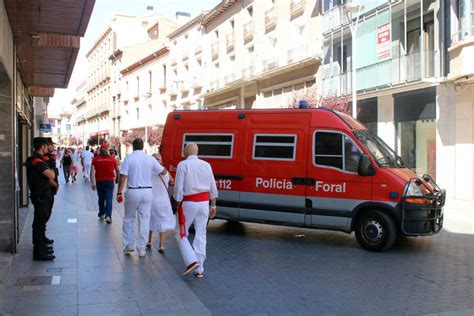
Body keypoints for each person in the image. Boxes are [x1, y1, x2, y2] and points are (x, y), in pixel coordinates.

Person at [116, 138, 167, 257]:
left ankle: (129, 244)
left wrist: (119, 192)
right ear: (142, 146)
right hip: (147, 192)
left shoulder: (129, 158)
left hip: (133, 191)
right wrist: (164, 167)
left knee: (129, 218)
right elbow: (162, 172)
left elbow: (123, 176)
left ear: (133, 147)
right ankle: (142, 248)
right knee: (145, 220)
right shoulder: (150, 159)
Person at [174, 143, 218, 278]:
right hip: (204, 203)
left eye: (184, 149)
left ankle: (191, 261)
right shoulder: (206, 165)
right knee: (201, 233)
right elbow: (213, 186)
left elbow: (178, 189)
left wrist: (177, 203)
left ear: (187, 151)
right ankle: (200, 267)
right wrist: (213, 206)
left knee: (180, 233)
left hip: (189, 202)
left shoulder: (183, 165)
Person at [25, 137, 58, 261]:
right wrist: (52, 171)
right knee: (39, 222)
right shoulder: (37, 160)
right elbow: (51, 174)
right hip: (40, 195)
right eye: (46, 145)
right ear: (43, 146)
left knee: (41, 221)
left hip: (43, 194)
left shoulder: (38, 159)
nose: (47, 147)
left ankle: (41, 246)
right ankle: (38, 251)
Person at [147, 153, 175, 254]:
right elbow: (172, 181)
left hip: (151, 201)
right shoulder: (166, 172)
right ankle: (161, 246)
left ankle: (149, 241)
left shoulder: (149, 173)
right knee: (162, 223)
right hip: (163, 201)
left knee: (150, 220)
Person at [91, 143, 120, 224]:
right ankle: (108, 216)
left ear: (100, 150)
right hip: (109, 181)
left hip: (99, 182)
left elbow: (92, 172)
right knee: (109, 199)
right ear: (107, 150)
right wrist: (117, 178)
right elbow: (118, 170)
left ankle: (101, 214)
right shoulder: (112, 159)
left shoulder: (96, 159)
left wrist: (92, 183)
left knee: (101, 198)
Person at [44, 138, 59, 245]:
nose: (53, 147)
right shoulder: (44, 159)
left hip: (50, 190)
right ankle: (39, 244)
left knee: (46, 213)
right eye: (51, 145)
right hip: (46, 190)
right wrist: (55, 184)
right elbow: (49, 175)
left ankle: (42, 237)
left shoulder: (48, 157)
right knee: (43, 215)